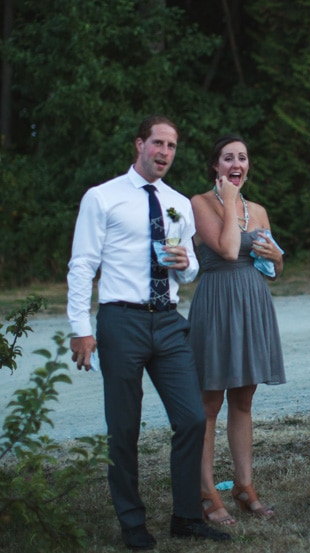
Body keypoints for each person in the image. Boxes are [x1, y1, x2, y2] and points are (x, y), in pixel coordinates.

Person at [67, 115, 231, 549]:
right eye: (157, 143)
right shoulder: (102, 198)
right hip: (122, 321)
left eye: (172, 146)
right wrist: (80, 329)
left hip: (169, 320)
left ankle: (185, 516)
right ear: (140, 145)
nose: (164, 153)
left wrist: (186, 264)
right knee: (124, 427)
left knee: (192, 418)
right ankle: (132, 522)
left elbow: (192, 267)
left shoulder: (177, 201)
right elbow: (82, 264)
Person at [188, 134, 286, 524]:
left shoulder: (259, 210)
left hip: (252, 304)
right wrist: (228, 201)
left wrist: (278, 258)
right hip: (216, 305)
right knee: (208, 405)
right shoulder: (199, 203)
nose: (237, 164)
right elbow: (228, 250)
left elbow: (273, 271)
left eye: (243, 158)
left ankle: (245, 486)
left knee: (244, 399)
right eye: (228, 157)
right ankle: (207, 492)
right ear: (216, 166)